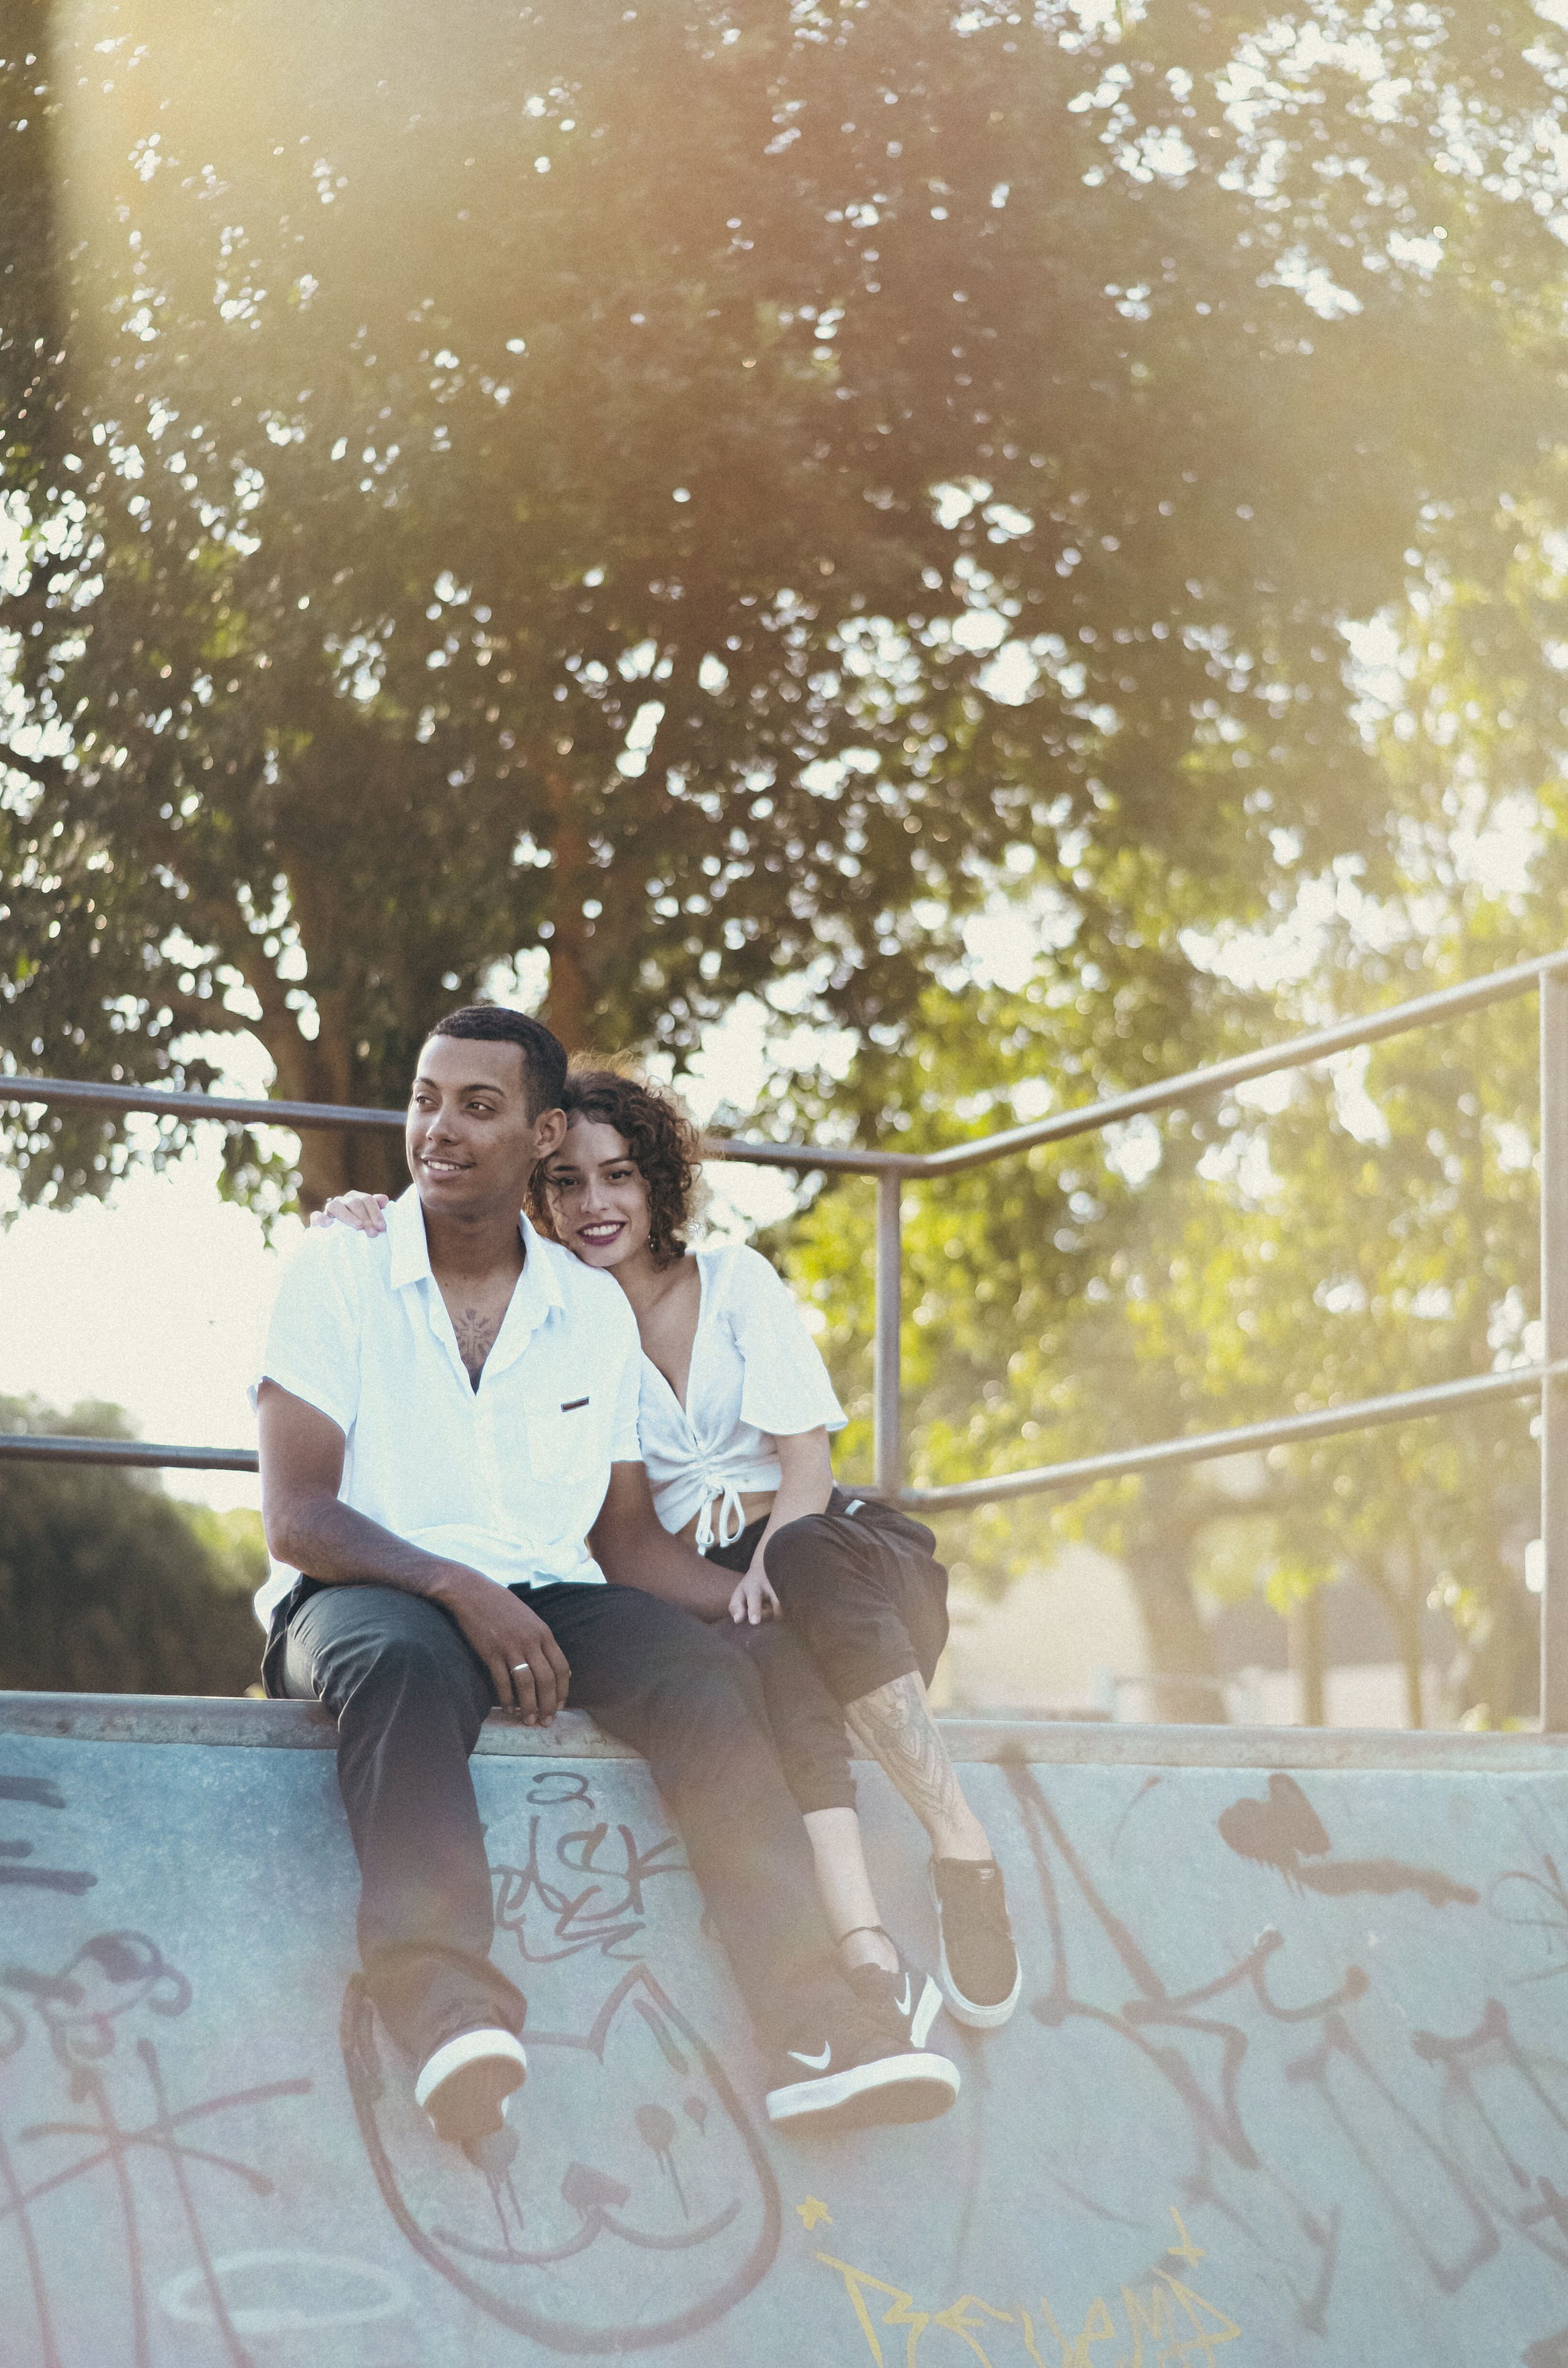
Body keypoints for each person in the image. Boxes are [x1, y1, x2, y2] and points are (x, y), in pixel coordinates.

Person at [255, 1005, 960, 2156]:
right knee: (405, 1659)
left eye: (478, 1106)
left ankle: (816, 2026)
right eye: (426, 1099)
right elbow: (298, 1517)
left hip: (550, 1593)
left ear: (540, 1135)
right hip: (357, 1591)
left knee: (706, 1675)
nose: (439, 1127)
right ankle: (443, 2009)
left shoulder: (587, 1310)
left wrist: (761, 1612)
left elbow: (626, 1542)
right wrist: (461, 1589)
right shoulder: (338, 1266)